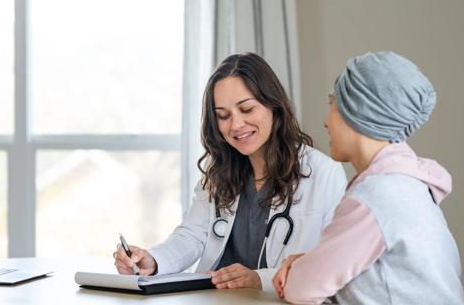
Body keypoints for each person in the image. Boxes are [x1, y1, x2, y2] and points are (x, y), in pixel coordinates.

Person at [113, 52, 346, 292]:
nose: (235, 125)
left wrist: (260, 279)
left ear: (273, 105)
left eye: (246, 109)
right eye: (223, 115)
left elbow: (328, 262)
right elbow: (191, 236)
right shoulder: (220, 172)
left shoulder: (322, 174)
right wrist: (153, 260)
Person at [273, 51, 464, 304]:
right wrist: (309, 262)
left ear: (358, 112)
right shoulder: (409, 185)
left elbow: (301, 289)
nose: (325, 121)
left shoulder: (376, 197)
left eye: (332, 104)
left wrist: (301, 270)